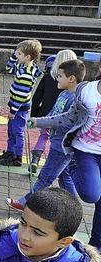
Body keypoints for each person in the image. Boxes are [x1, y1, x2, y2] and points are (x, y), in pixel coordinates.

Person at [22, 69, 101, 251]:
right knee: (91, 194)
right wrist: (39, 121)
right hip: (85, 151)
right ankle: (72, 167)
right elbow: (68, 117)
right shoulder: (86, 90)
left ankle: (96, 245)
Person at [7, 59, 85, 212]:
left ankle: (27, 203)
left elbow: (65, 121)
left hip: (62, 146)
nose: (57, 78)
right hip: (57, 142)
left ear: (71, 78)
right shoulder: (63, 93)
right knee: (65, 177)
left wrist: (39, 122)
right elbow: (53, 113)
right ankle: (74, 209)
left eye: (60, 76)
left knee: (46, 176)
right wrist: (43, 122)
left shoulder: (75, 99)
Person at [0, 39, 43, 167]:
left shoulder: (26, 74)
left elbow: (21, 95)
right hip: (15, 104)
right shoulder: (22, 66)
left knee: (17, 132)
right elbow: (8, 68)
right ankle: (10, 152)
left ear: (28, 57)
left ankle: (17, 157)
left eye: (19, 54)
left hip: (19, 107)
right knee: (11, 131)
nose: (17, 56)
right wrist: (13, 56)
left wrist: (13, 111)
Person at [27, 50, 77, 172]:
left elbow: (37, 96)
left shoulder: (49, 77)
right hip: (63, 118)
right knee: (58, 141)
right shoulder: (71, 84)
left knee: (44, 136)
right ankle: (53, 165)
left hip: (46, 114)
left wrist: (35, 114)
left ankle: (36, 158)